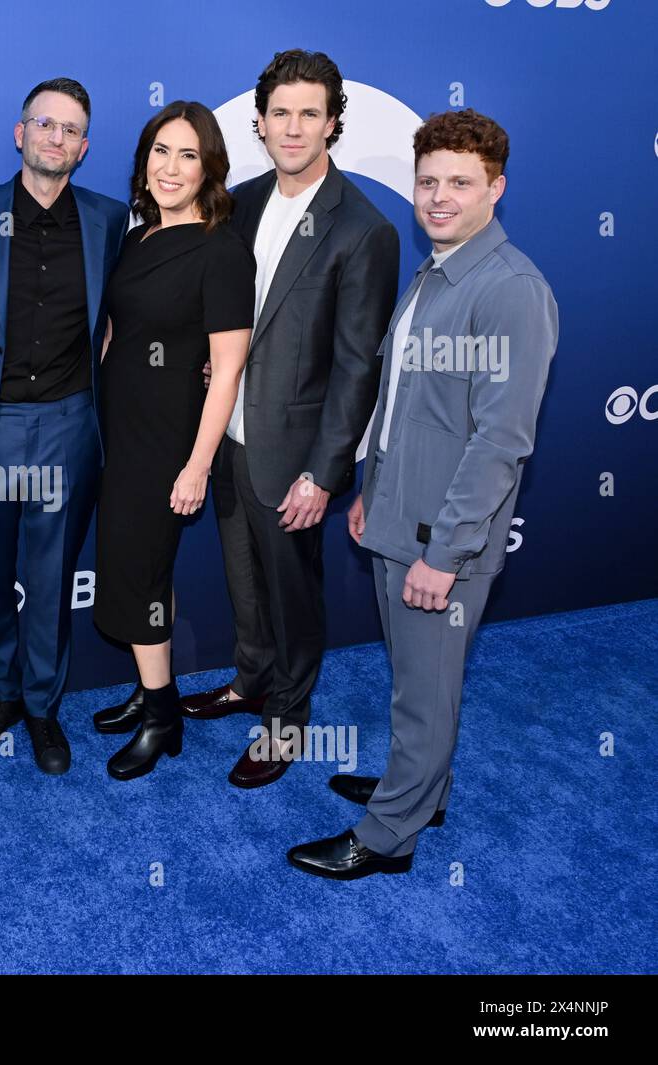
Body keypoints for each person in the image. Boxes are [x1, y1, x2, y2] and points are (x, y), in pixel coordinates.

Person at [288, 109, 557, 879]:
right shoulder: (435, 271)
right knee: (415, 679)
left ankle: (388, 835)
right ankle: (420, 788)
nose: (440, 196)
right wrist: (372, 486)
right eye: (429, 180)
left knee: (427, 692)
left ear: (496, 189)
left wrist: (446, 553)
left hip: (445, 540)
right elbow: (407, 402)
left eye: (461, 183)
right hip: (399, 516)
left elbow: (500, 441)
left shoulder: (510, 291)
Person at [174, 50, 400, 789]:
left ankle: (289, 720)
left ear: (333, 122)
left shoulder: (363, 229)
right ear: (260, 123)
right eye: (281, 113)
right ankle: (250, 679)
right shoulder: (237, 204)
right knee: (244, 581)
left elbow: (358, 365)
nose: (294, 127)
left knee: (293, 594)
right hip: (230, 437)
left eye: (310, 113)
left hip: (296, 455)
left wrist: (325, 471)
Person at [0, 78, 129, 774]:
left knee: (50, 580)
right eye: (44, 123)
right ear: (20, 133)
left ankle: (44, 708)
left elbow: (124, 321)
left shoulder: (108, 219)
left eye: (70, 128)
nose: (56, 137)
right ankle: (0, 694)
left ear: (84, 146)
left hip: (69, 425)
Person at [92, 102, 253, 780]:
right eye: (161, 151)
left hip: (168, 442)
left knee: (138, 570)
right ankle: (148, 685)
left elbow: (228, 369)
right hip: (120, 433)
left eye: (188, 155)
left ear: (209, 167)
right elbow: (114, 333)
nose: (171, 167)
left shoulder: (221, 248)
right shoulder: (139, 236)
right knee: (144, 571)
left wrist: (196, 464)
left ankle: (164, 720)